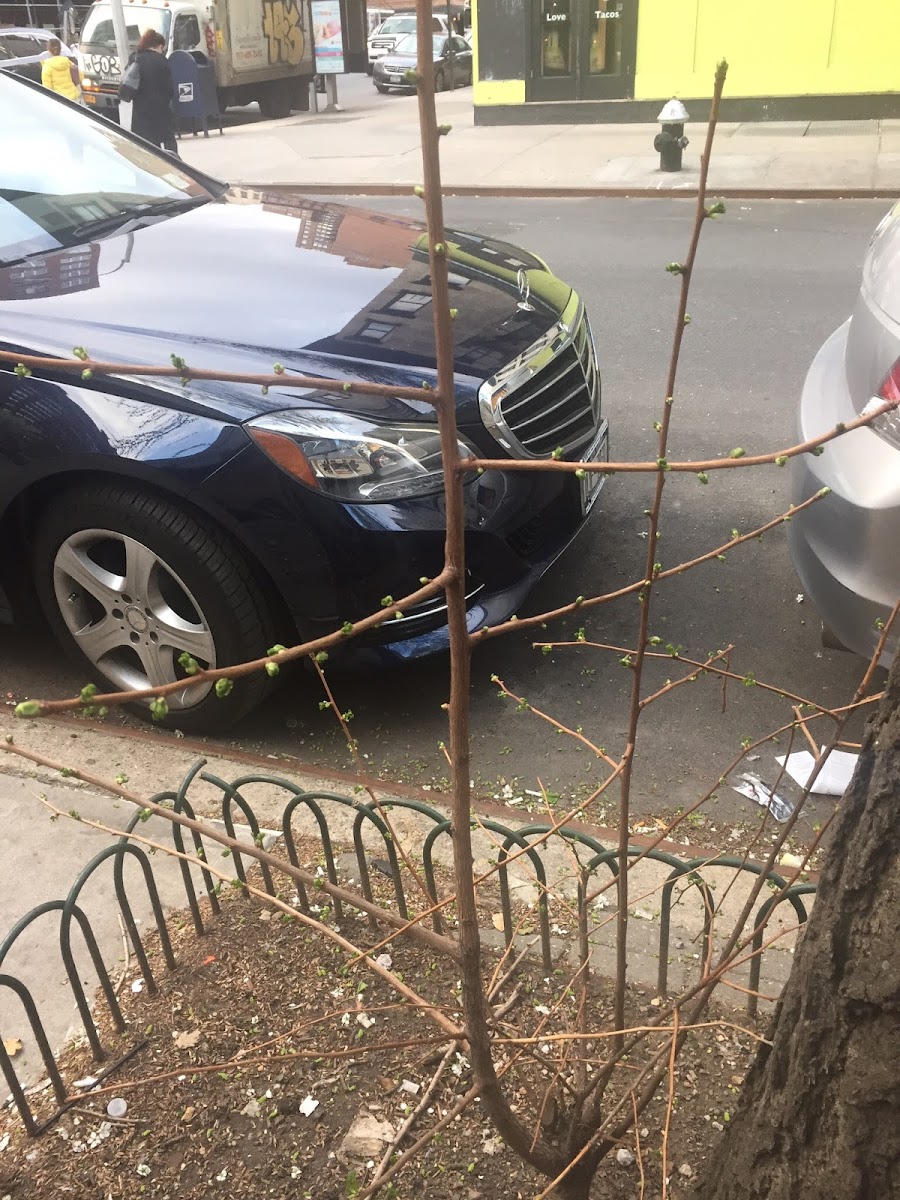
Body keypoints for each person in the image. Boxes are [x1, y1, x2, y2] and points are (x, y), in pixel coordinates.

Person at [123, 29, 177, 154]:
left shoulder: (134, 58)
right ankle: (174, 166)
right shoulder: (161, 61)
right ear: (159, 46)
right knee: (168, 140)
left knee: (147, 146)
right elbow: (169, 88)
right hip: (161, 109)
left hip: (140, 110)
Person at [40, 37, 80, 102]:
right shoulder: (67, 61)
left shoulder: (47, 65)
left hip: (60, 99)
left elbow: (47, 88)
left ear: (49, 50)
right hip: (74, 96)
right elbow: (80, 75)